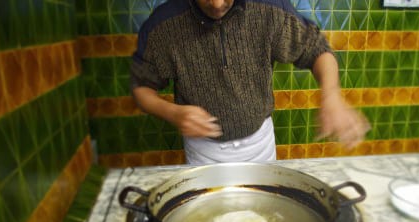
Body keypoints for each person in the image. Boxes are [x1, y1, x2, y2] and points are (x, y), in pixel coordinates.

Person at [130, 0, 370, 164]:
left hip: (259, 146)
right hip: (203, 151)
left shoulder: (268, 8)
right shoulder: (164, 23)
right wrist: (173, 113)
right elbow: (141, 87)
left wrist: (332, 98)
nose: (216, 4)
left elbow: (318, 51)